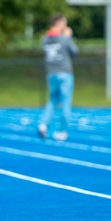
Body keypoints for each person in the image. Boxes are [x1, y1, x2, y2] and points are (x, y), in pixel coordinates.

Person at [38, 13, 78, 142]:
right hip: (64, 73)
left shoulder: (44, 38)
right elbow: (74, 52)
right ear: (60, 23)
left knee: (52, 101)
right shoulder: (64, 37)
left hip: (51, 73)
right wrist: (69, 36)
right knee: (65, 102)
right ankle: (62, 131)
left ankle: (44, 124)